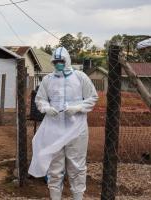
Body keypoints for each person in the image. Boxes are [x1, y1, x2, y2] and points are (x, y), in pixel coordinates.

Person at [28, 47, 98, 200]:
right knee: (55, 167)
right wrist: (46, 108)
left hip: (77, 128)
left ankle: (78, 197)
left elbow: (92, 97)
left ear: (67, 60)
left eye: (61, 61)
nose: (59, 64)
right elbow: (40, 99)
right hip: (54, 128)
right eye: (56, 61)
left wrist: (78, 108)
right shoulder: (48, 80)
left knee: (77, 167)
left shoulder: (80, 77)